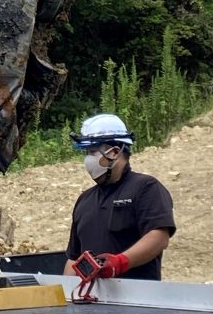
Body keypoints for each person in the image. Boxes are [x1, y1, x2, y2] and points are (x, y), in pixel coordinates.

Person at [64, 113, 175, 281]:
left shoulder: (146, 188)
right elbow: (74, 258)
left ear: (115, 152)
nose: (87, 159)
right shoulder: (85, 200)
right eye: (86, 152)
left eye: (93, 152)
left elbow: (159, 237)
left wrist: (120, 262)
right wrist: (66, 291)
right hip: (90, 302)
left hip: (136, 300)